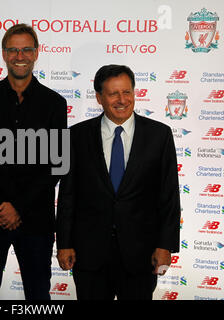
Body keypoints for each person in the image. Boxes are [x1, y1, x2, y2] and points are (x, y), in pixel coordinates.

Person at [56, 64, 180, 300]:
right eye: (113, 93)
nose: (122, 100)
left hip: (141, 256)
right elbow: (68, 195)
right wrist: (64, 243)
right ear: (99, 98)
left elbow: (169, 196)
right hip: (89, 255)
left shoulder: (159, 135)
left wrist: (166, 246)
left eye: (127, 92)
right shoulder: (75, 136)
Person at [0, 23, 67, 300]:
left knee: (38, 295)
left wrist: (17, 207)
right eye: (13, 50)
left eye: (25, 49)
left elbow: (56, 165)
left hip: (36, 219)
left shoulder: (55, 103)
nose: (19, 56)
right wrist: (0, 206)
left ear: (36, 53)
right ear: (3, 54)